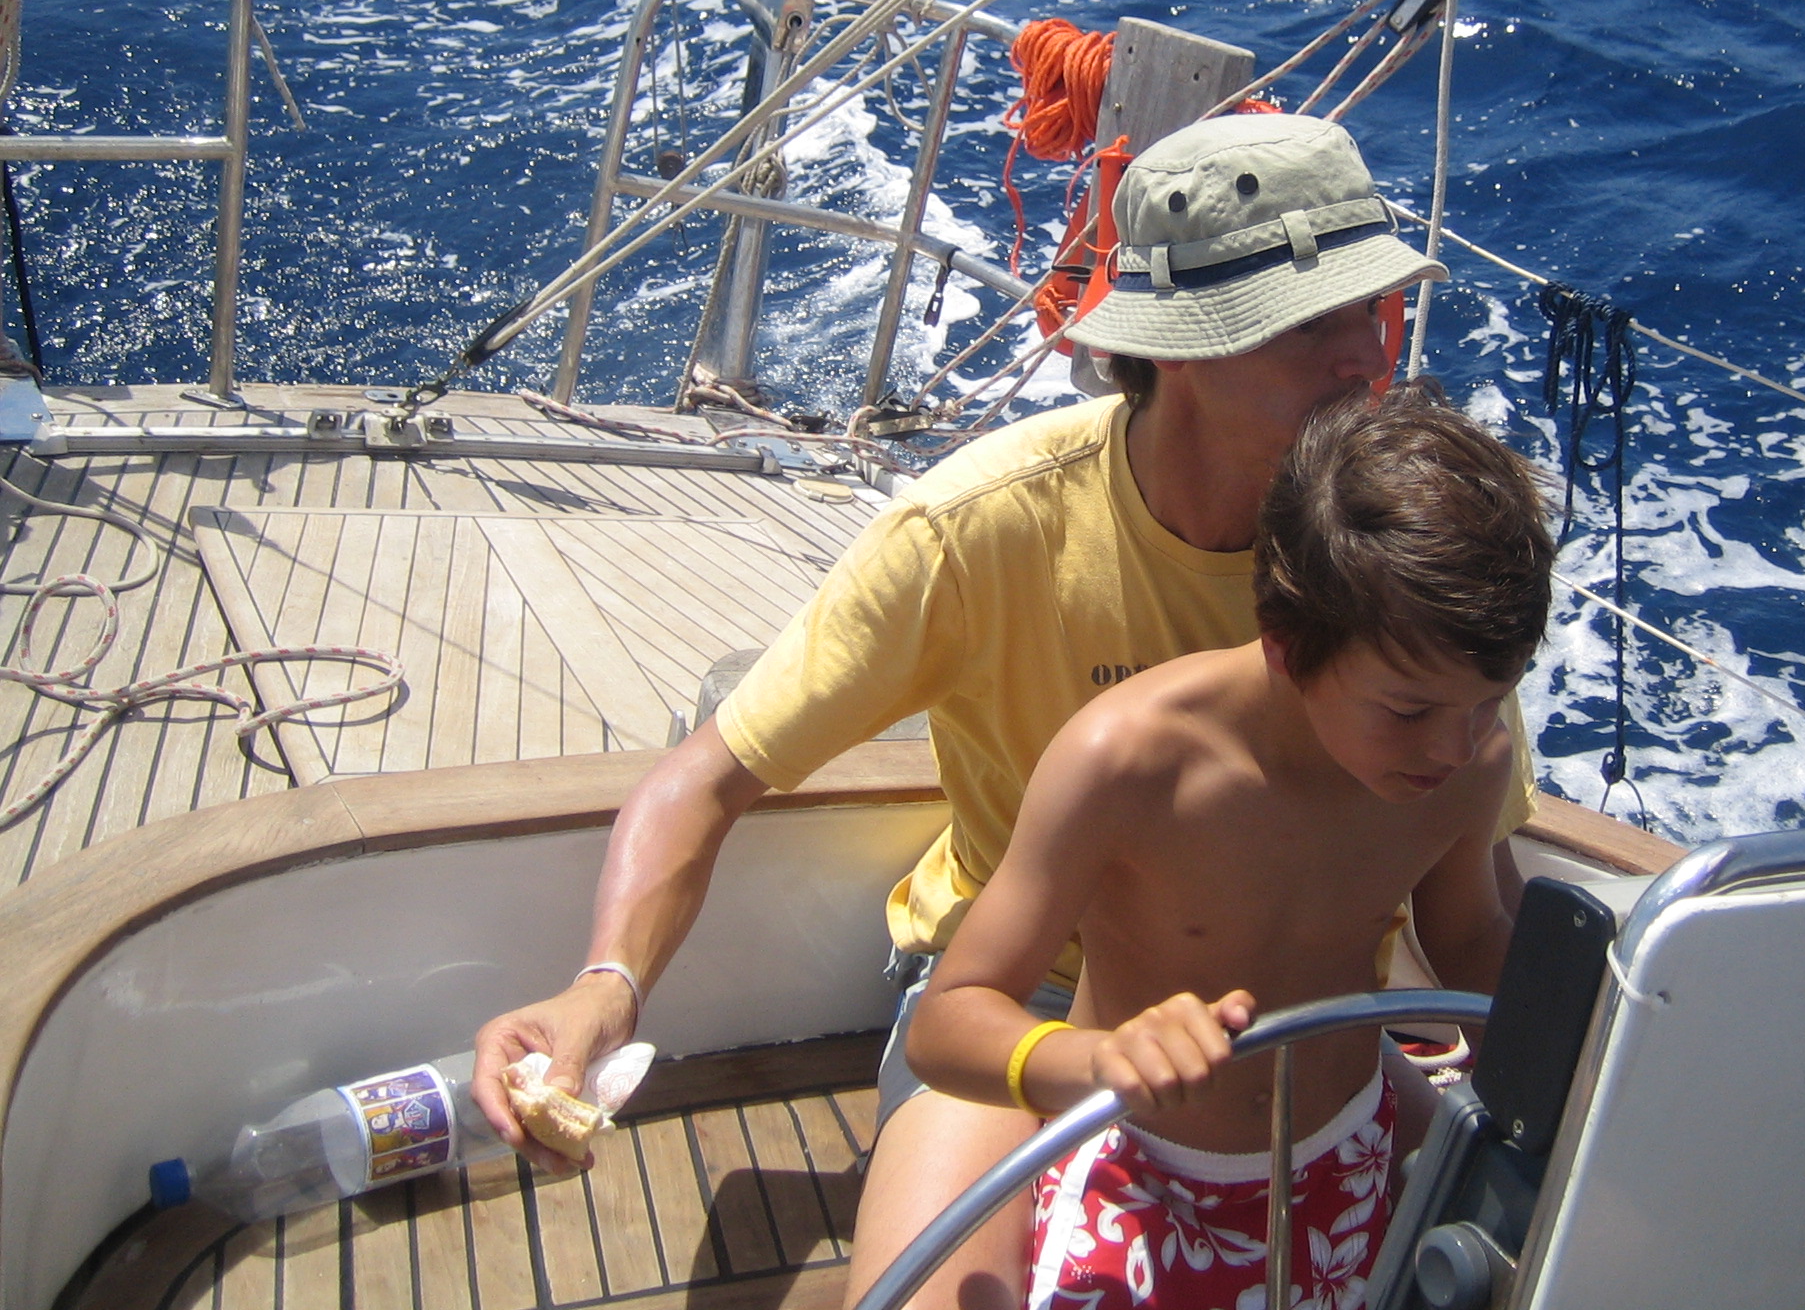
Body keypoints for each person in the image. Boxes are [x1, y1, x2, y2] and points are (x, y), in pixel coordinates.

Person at [469, 111, 1536, 1310]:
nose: (1362, 360)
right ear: (1180, 346)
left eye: (1371, 312)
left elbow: (1472, 894)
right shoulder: (984, 528)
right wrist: (603, 989)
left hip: (1320, 1025)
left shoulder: (1398, 577)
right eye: (1307, 326)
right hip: (1021, 994)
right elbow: (713, 775)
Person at [905, 384, 1555, 1310]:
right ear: (1287, 646)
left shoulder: (1467, 756)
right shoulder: (1129, 760)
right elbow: (949, 1020)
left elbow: (1466, 938)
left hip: (1351, 1159)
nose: (1456, 748)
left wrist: (1583, 1044)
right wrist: (1099, 1062)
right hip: (1139, 1172)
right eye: (1410, 710)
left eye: (1490, 701)